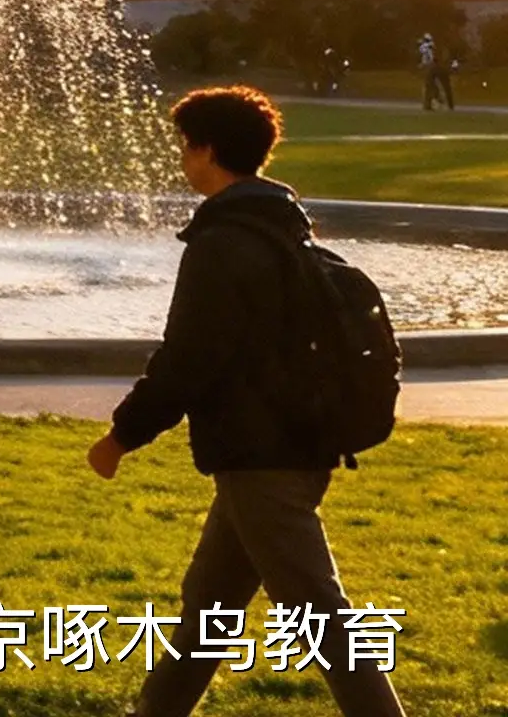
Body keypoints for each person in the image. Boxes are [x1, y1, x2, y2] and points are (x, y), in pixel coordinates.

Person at [91, 85, 404, 717]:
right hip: (290, 445)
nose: (183, 161)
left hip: (263, 456)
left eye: (187, 147)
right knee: (209, 605)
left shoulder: (223, 244)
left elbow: (188, 360)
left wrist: (122, 435)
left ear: (207, 150)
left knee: (320, 616)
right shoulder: (286, 231)